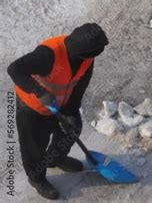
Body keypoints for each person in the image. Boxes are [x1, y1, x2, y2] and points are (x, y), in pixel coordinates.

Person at [7, 23, 109, 200]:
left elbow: (80, 86)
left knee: (72, 130)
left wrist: (71, 111)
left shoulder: (86, 57)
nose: (99, 53)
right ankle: (37, 178)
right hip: (32, 108)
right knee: (34, 147)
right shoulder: (48, 55)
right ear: (82, 50)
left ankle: (55, 158)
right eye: (97, 50)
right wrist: (39, 91)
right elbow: (14, 69)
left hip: (61, 103)